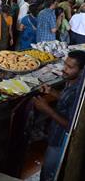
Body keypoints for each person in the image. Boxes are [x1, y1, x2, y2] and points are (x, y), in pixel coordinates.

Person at [34, 50, 85, 181]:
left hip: (62, 140)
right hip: (55, 133)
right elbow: (66, 99)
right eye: (65, 65)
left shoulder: (79, 92)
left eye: (70, 67)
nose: (64, 69)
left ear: (81, 71)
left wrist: (47, 109)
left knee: (50, 173)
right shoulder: (71, 80)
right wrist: (52, 91)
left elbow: (71, 126)